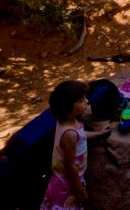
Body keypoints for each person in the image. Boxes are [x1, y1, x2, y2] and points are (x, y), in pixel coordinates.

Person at [40, 80, 109, 210]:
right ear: (67, 108)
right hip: (67, 186)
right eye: (81, 101)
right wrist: (79, 190)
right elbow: (70, 166)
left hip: (61, 181)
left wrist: (98, 133)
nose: (87, 102)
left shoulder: (67, 122)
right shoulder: (69, 134)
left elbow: (81, 136)